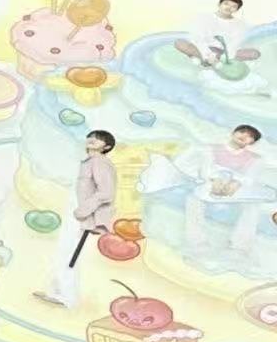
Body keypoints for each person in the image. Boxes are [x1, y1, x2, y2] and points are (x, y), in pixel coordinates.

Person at [140, 124, 273, 255]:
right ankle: (197, 243)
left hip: (236, 189)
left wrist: (236, 182)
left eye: (250, 136)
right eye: (242, 132)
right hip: (211, 185)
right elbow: (206, 171)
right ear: (233, 133)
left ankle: (240, 247)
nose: (244, 136)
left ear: (252, 142)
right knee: (194, 200)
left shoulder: (255, 158)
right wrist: (217, 179)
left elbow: (249, 178)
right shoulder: (211, 149)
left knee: (252, 206)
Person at [34, 131, 117, 309]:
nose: (93, 139)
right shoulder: (87, 161)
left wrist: (83, 211)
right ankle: (55, 292)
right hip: (75, 213)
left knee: (69, 255)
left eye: (99, 139)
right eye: (91, 136)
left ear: (107, 147)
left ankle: (66, 298)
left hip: (82, 216)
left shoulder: (100, 162)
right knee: (64, 252)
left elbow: (106, 192)